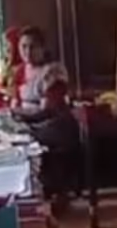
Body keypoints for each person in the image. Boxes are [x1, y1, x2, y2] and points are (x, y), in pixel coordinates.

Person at [11, 26, 80, 204]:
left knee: (27, 140)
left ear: (42, 48)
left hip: (54, 123)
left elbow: (48, 109)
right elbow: (15, 100)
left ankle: (52, 192)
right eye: (23, 47)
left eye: (33, 47)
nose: (28, 52)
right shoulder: (20, 71)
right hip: (26, 121)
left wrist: (19, 115)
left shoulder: (53, 71)